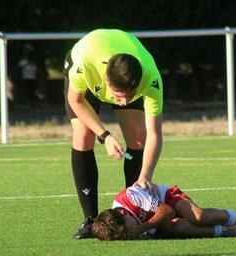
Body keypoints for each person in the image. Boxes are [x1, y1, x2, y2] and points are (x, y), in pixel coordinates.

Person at [63, 29, 163, 239]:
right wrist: (105, 136)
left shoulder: (150, 77)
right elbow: (76, 101)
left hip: (127, 67)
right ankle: (90, 220)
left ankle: (133, 210)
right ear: (108, 83)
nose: (125, 102)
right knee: (83, 135)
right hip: (87, 67)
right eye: (119, 96)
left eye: (130, 96)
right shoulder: (85, 67)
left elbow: (155, 134)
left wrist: (145, 176)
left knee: (137, 136)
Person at [92, 184, 236, 240]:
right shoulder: (118, 225)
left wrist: (141, 228)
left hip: (167, 199)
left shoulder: (131, 196)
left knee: (198, 216)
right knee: (176, 227)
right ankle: (227, 231)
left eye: (127, 230)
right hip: (159, 221)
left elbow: (167, 211)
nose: (128, 234)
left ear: (124, 214)